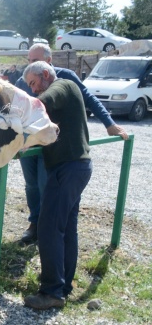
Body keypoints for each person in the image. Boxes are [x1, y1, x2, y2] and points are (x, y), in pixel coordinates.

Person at [14, 43, 128, 246]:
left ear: (48, 62)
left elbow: (89, 98)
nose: (31, 64)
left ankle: (46, 230)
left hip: (49, 145)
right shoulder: (26, 79)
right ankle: (34, 224)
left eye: (35, 60)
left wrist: (109, 123)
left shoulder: (65, 78)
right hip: (27, 143)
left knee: (45, 184)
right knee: (31, 185)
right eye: (29, 60)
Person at [21, 61, 93, 310]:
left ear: (44, 75)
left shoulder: (63, 85)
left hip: (67, 168)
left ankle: (51, 292)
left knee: (49, 227)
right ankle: (63, 287)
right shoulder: (68, 89)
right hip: (77, 168)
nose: (33, 90)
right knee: (66, 228)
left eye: (33, 83)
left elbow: (40, 104)